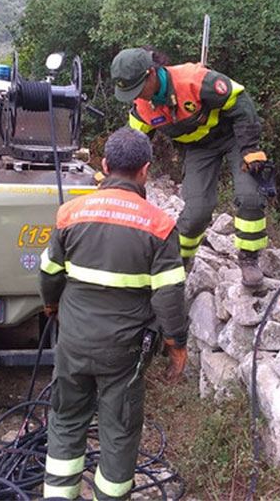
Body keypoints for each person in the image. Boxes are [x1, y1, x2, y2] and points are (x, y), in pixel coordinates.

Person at [39, 127, 189, 501]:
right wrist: (176, 346)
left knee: (66, 420)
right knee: (119, 431)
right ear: (145, 170)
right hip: (123, 351)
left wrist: (52, 306)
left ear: (104, 166)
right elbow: (169, 298)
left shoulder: (70, 214)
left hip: (73, 341)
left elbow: (48, 274)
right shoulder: (159, 225)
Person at [111, 47, 270, 287]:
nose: (139, 97)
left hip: (234, 138)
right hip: (199, 148)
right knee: (197, 211)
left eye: (138, 89)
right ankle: (179, 263)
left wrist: (250, 148)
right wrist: (114, 177)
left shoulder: (195, 80)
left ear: (152, 73)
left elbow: (241, 103)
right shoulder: (143, 107)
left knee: (250, 196)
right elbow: (131, 143)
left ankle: (249, 259)